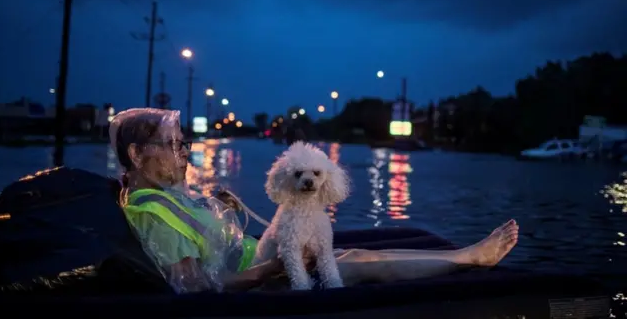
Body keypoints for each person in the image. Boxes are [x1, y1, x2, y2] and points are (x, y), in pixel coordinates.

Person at [110, 108, 519, 293]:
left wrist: (223, 209)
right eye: (174, 145)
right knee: (353, 263)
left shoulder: (162, 197)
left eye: (184, 144)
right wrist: (270, 269)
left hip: (255, 259)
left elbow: (205, 242)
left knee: (354, 250)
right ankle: (470, 258)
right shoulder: (150, 212)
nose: (185, 152)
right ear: (137, 155)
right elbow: (197, 287)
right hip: (258, 280)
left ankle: (465, 256)